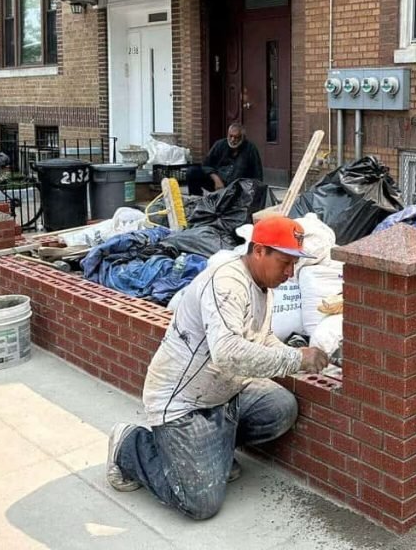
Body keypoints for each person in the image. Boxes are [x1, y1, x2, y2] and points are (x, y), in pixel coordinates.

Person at [106, 215, 330, 520]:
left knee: (279, 408)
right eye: (285, 262)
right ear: (259, 251)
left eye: (294, 264)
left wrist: (301, 358)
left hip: (222, 393)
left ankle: (213, 454)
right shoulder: (226, 283)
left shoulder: (264, 286)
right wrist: (296, 359)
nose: (290, 273)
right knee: (200, 504)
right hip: (182, 402)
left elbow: (262, 339)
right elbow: (227, 353)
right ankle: (130, 445)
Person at [185, 123, 263, 194]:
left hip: (238, 188)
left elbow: (257, 174)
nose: (232, 140)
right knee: (192, 172)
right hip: (217, 183)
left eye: (236, 137)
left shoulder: (250, 149)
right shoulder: (220, 144)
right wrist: (216, 178)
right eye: (230, 136)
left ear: (243, 138)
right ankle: (196, 199)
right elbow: (206, 165)